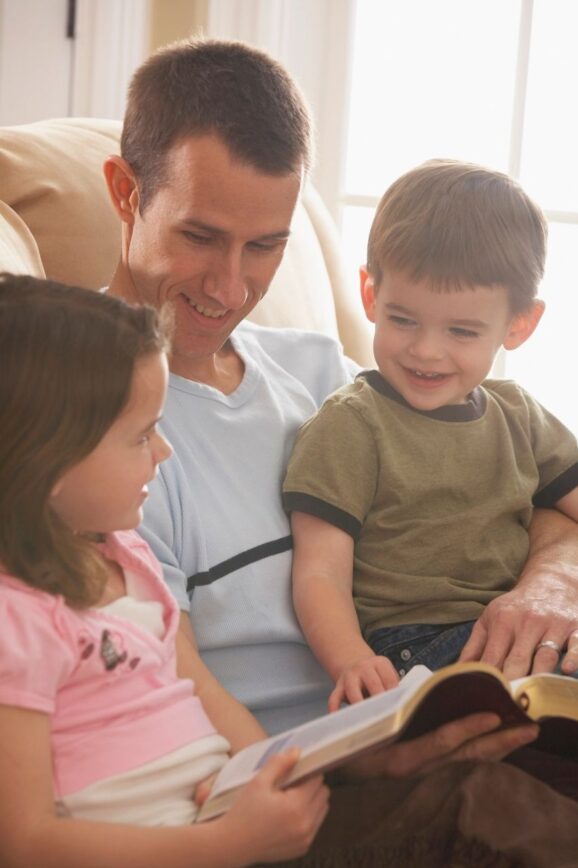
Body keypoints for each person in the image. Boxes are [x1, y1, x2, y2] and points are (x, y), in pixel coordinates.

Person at [104, 39, 578, 743]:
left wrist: (551, 581)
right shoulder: (91, 422)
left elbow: (512, 491)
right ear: (125, 193)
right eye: (200, 236)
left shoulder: (327, 370)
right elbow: (161, 693)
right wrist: (363, 763)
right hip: (319, 767)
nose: (231, 289)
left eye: (266, 246)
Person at [0, 274, 331, 867]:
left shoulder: (125, 552)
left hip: (221, 820)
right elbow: (25, 842)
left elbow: (198, 686)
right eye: (143, 435)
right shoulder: (14, 619)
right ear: (50, 461)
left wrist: (272, 770)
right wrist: (225, 846)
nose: (164, 451)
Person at [282, 160, 578, 710]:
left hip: (509, 633)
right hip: (410, 647)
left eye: (461, 331)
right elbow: (320, 569)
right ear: (370, 294)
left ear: (519, 325)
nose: (425, 350)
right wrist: (350, 659)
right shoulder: (351, 424)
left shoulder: (519, 416)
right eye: (403, 320)